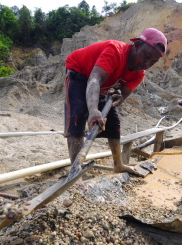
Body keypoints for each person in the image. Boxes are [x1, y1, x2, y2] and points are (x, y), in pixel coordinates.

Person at [64, 28, 167, 175]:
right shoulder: (115, 51)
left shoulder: (139, 74)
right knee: (78, 114)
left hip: (101, 84)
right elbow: (94, 79)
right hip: (80, 71)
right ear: (136, 45)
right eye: (146, 56)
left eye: (153, 62)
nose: (147, 63)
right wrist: (93, 110)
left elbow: (122, 95)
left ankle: (118, 164)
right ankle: (75, 170)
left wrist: (118, 98)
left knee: (113, 121)